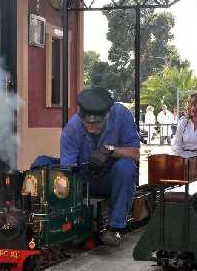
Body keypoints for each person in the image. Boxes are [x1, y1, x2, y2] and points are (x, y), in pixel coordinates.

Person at [60, 87, 140, 246]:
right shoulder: (72, 128)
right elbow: (67, 170)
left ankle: (115, 227)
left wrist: (110, 151)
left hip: (111, 178)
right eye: (86, 122)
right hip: (84, 179)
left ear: (108, 114)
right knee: (42, 163)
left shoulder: (121, 115)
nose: (91, 126)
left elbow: (135, 154)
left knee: (126, 166)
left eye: (96, 122)